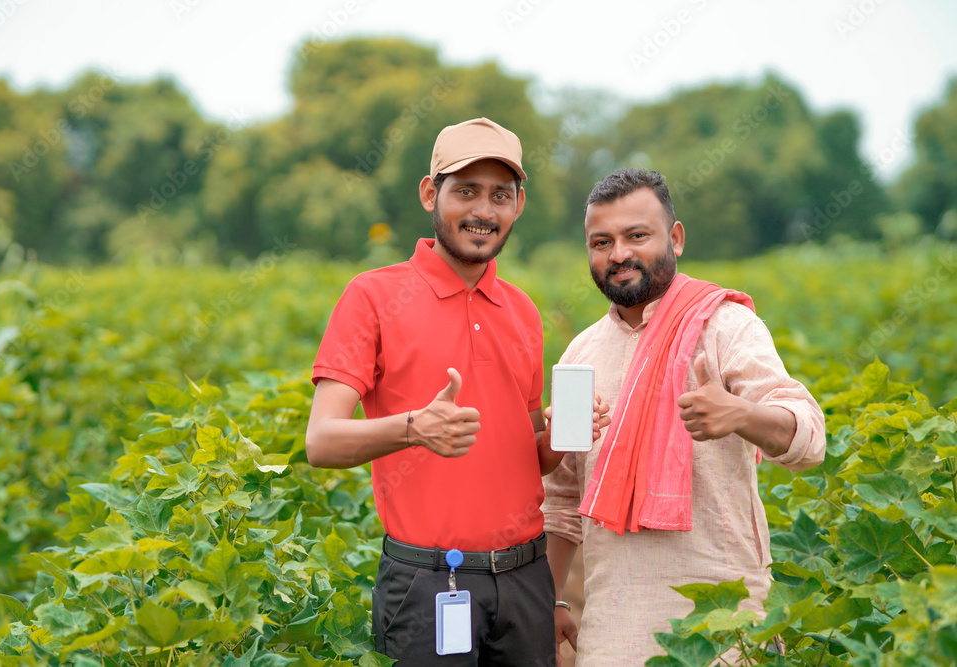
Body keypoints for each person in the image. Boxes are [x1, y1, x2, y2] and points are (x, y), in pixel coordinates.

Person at [306, 117, 607, 665]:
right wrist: (413, 428)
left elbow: (531, 458)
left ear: (518, 205)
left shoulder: (522, 311)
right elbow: (321, 442)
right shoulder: (372, 296)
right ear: (430, 193)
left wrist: (567, 433)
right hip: (428, 584)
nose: (483, 211)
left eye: (500, 195)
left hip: (525, 581)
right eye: (465, 191)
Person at [542, 168, 826, 665]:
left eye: (637, 236)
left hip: (725, 624)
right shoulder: (580, 353)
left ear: (675, 239)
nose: (618, 254)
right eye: (601, 241)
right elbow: (561, 501)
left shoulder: (725, 326)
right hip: (615, 629)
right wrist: (551, 599)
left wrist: (741, 413)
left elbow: (808, 438)